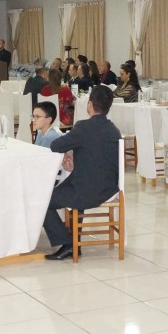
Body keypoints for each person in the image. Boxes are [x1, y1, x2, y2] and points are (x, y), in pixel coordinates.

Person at [42, 87, 121, 260]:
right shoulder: (114, 130)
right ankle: (74, 239)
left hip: (86, 190)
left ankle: (68, 244)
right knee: (69, 186)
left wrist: (71, 149)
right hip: (109, 188)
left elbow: (56, 146)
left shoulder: (83, 127)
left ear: (90, 104)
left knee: (43, 200)